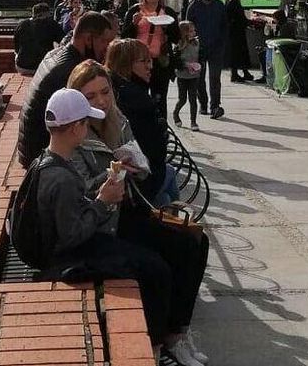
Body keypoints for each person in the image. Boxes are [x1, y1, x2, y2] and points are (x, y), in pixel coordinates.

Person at [29, 88, 202, 366]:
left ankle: (163, 340)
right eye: (86, 123)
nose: (89, 128)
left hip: (74, 243)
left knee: (158, 263)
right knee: (153, 269)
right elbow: (73, 235)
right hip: (68, 256)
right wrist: (102, 202)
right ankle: (154, 349)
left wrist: (100, 196)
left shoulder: (49, 160)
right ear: (76, 128)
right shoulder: (60, 177)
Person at [66, 62, 209, 366]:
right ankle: (158, 342)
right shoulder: (76, 129)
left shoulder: (118, 121)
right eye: (90, 96)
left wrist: (136, 167)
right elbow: (77, 191)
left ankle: (177, 331)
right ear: (78, 99)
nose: (101, 101)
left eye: (105, 92)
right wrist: (110, 178)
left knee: (197, 241)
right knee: (159, 265)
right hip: (103, 221)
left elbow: (143, 167)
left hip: (131, 209)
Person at [18, 12, 116, 168]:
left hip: (33, 148)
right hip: (44, 156)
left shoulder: (58, 54)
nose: (106, 48)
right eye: (104, 41)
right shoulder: (71, 72)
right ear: (88, 39)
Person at [105, 38, 174, 205]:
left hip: (130, 177)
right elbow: (154, 153)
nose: (150, 66)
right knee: (167, 186)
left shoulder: (116, 88)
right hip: (138, 181)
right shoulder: (136, 99)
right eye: (144, 61)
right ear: (125, 64)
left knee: (167, 195)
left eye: (150, 60)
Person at [121, 0, 180, 118]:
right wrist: (133, 24)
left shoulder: (168, 12)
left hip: (159, 62)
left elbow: (176, 38)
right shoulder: (135, 11)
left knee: (159, 100)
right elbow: (124, 37)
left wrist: (167, 28)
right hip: (137, 63)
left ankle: (160, 131)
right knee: (138, 99)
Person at [186, 0, 227, 119]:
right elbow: (187, 27)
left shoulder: (219, 6)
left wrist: (222, 42)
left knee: (215, 78)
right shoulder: (194, 7)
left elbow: (225, 25)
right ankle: (203, 104)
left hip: (216, 48)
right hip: (199, 48)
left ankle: (215, 106)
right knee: (199, 78)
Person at [15, 3, 66, 74]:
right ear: (46, 13)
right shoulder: (52, 24)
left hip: (22, 67)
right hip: (44, 67)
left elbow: (16, 48)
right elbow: (64, 43)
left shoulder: (22, 24)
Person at [173, 21, 202, 132]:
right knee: (182, 99)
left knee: (193, 99)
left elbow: (200, 57)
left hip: (194, 75)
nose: (193, 33)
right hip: (182, 76)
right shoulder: (179, 45)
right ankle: (176, 113)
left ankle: (193, 121)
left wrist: (199, 65)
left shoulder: (197, 43)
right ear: (184, 32)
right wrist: (186, 65)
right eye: (190, 31)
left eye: (194, 30)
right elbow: (176, 60)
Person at [224, 0, 254, 84]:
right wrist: (249, 22)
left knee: (238, 53)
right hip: (236, 32)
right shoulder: (234, 2)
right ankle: (236, 74)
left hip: (233, 32)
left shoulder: (230, 1)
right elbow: (239, 17)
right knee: (238, 53)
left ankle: (243, 72)